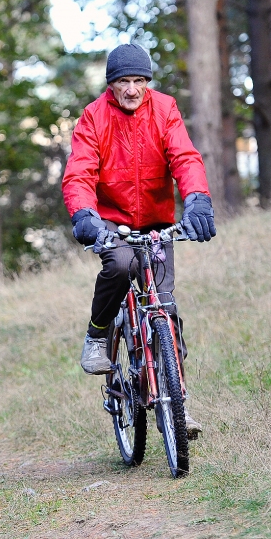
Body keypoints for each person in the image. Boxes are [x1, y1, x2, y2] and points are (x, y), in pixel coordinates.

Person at [61, 44, 216, 438]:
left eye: (139, 81)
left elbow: (184, 157)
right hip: (111, 225)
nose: (132, 90)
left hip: (157, 225)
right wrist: (84, 215)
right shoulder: (94, 117)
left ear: (148, 83)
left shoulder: (164, 109)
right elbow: (79, 173)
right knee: (120, 265)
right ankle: (97, 335)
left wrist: (197, 199)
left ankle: (177, 401)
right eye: (124, 82)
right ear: (111, 84)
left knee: (165, 307)